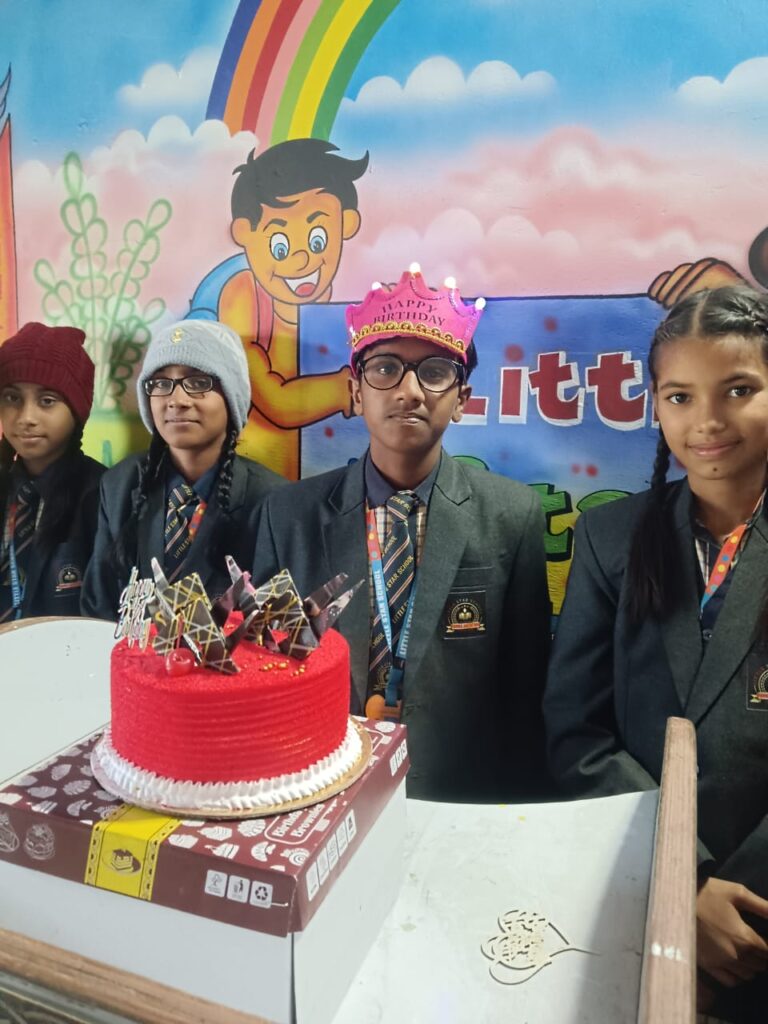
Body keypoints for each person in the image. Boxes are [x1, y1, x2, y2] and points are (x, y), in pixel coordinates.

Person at [543, 285, 768, 1022]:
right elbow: (578, 734)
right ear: (656, 406)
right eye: (679, 396)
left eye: (739, 390)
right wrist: (684, 883)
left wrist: (735, 907)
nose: (707, 420)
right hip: (638, 895)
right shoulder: (611, 539)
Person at [251, 265, 551, 802]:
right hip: (318, 781)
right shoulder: (288, 515)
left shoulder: (513, 513)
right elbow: (269, 668)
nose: (409, 391)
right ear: (355, 390)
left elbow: (525, 687)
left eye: (434, 372)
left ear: (461, 399)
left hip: (459, 791)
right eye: (385, 369)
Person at [81, 319, 285, 620]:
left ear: (232, 398)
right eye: (161, 384)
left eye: (198, 382)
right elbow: (98, 608)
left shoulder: (272, 500)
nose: (177, 401)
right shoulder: (120, 486)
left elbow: (275, 621)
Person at [217, 139, 369, 478]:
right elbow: (275, 401)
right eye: (280, 245)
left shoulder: (346, 314)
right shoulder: (244, 295)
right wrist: (351, 389)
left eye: (317, 239)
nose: (302, 259)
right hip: (255, 479)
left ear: (346, 223)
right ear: (244, 233)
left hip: (325, 482)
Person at [0, 322, 103, 621]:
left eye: (47, 401)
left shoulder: (104, 496)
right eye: (12, 398)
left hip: (68, 648)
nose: (26, 418)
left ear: (77, 412)